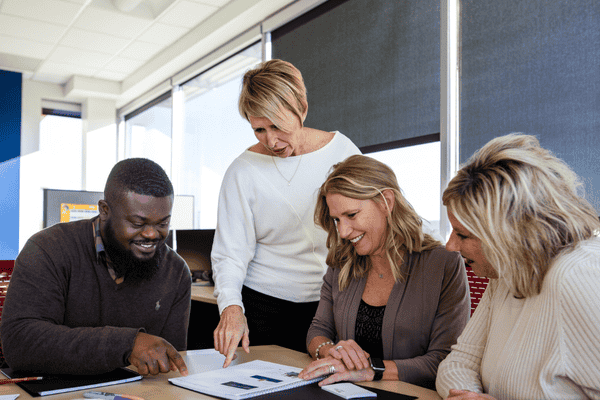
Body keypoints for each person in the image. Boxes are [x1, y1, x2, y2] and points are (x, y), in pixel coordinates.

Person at [211, 59, 361, 367]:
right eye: (259, 129)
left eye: (278, 126)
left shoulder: (342, 152)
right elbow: (230, 254)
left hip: (328, 304)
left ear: (302, 108)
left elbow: (377, 210)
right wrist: (231, 307)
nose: (271, 141)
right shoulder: (242, 172)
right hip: (263, 305)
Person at [435, 133, 600, 399]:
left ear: (508, 234)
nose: (450, 246)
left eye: (463, 235)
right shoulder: (504, 273)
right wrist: (467, 395)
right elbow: (459, 363)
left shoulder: (578, 277)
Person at [1, 158, 191, 376]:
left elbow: (171, 363)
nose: (151, 234)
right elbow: (20, 343)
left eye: (162, 224)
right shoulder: (49, 248)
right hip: (55, 390)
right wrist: (127, 344)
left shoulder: (175, 272)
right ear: (104, 210)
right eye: (138, 224)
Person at [297, 155, 470, 389]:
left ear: (386, 202)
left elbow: (445, 359)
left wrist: (372, 369)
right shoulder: (341, 262)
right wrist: (332, 352)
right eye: (336, 220)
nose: (344, 232)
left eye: (351, 215)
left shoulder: (443, 264)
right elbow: (318, 330)